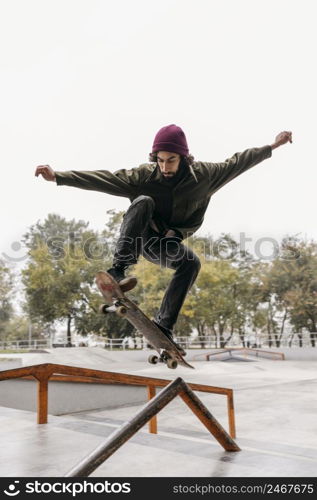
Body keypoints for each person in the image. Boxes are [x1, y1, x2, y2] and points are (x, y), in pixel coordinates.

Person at [35, 124, 292, 354]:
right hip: (142, 236)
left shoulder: (206, 176)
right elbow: (105, 178)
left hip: (165, 245)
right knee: (144, 200)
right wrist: (58, 176)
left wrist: (273, 145)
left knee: (191, 263)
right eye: (160, 161)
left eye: (171, 161)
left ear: (184, 158)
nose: (165, 167)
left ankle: (164, 325)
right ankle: (118, 269)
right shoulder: (143, 177)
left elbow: (239, 162)